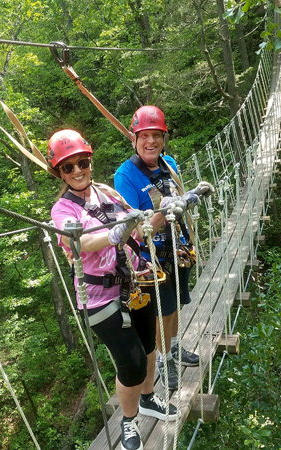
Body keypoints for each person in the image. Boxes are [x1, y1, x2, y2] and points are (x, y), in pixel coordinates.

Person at [48, 129, 178, 450]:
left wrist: (168, 210)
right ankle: (129, 420)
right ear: (59, 173)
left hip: (136, 282)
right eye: (69, 167)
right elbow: (79, 240)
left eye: (83, 162)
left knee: (149, 348)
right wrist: (113, 233)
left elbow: (139, 225)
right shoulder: (63, 211)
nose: (78, 171)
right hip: (100, 298)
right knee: (130, 364)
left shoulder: (107, 192)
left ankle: (148, 399)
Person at [114, 106, 214, 390]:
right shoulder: (125, 176)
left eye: (156, 135)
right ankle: (164, 358)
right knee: (162, 311)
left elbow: (179, 199)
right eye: (144, 135)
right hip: (150, 259)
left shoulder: (169, 163)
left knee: (176, 307)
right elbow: (133, 230)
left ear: (164, 138)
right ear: (134, 139)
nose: (151, 142)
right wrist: (164, 211)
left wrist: (190, 196)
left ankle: (173, 347)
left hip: (178, 249)